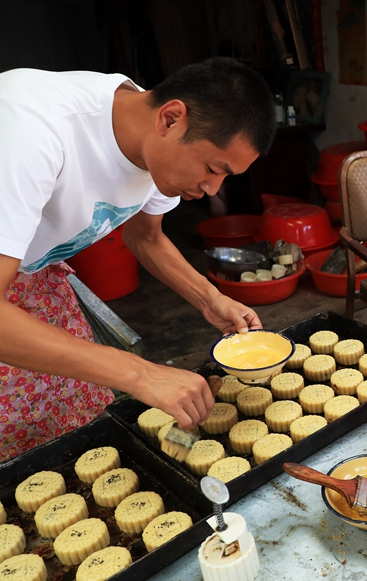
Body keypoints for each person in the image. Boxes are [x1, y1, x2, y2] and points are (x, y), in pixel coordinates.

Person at [0, 57, 276, 460]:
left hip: (34, 275)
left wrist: (209, 298)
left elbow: (145, 236)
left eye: (225, 176)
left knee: (74, 428)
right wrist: (141, 372)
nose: (212, 187)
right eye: (213, 168)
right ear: (171, 119)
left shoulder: (156, 150)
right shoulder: (32, 130)